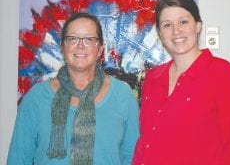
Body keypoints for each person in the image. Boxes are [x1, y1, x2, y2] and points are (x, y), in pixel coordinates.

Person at [132, 0, 230, 165]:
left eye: (183, 22)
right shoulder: (153, 78)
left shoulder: (224, 75)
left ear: (198, 26)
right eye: (167, 25)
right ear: (159, 33)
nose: (176, 31)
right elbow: (145, 142)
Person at [7, 12, 140, 165]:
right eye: (72, 39)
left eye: (89, 39)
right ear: (63, 47)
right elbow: (18, 160)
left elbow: (133, 159)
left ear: (100, 49)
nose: (81, 45)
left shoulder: (123, 96)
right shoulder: (36, 99)